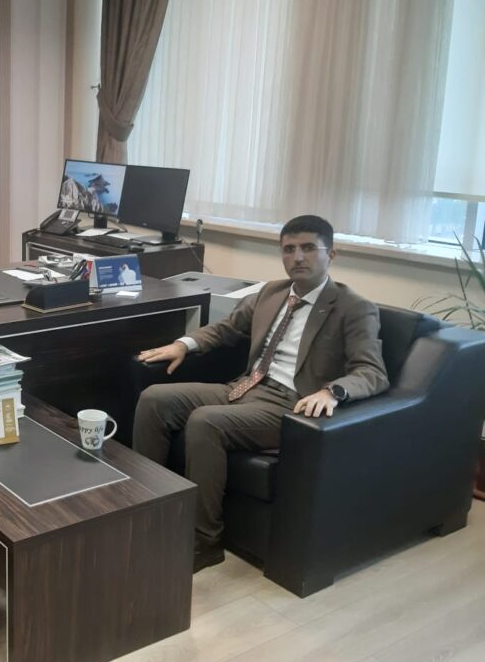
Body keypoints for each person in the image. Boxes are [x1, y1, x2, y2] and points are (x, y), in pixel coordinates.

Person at [133, 215, 389, 572]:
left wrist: (332, 392)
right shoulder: (271, 293)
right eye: (289, 249)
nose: (297, 257)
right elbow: (225, 329)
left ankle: (204, 541)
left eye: (308, 248)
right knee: (154, 399)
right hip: (245, 386)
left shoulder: (354, 308)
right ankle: (146, 511)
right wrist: (184, 344)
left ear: (331, 254)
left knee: (206, 422)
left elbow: (372, 372)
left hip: (290, 404)